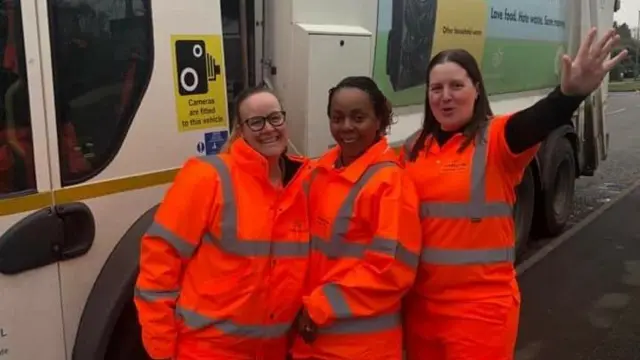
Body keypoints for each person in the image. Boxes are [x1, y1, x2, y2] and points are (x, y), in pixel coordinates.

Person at [400, 28, 628, 360]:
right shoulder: (412, 149)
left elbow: (536, 121)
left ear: (476, 90)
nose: (445, 96)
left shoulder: (497, 139)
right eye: (436, 88)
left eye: (456, 86)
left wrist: (568, 95)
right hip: (421, 312)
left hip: (479, 313)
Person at [134, 86, 314, 360]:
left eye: (275, 118)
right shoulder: (207, 178)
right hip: (207, 351)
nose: (268, 128)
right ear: (240, 131)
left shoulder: (306, 181)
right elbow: (159, 263)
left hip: (272, 351)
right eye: (256, 122)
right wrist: (161, 348)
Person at [290, 76, 422, 360]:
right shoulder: (320, 171)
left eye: (358, 117)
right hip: (311, 340)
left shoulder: (390, 183)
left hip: (360, 348)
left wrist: (318, 306)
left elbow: (390, 270)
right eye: (337, 118)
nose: (346, 127)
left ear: (380, 121)